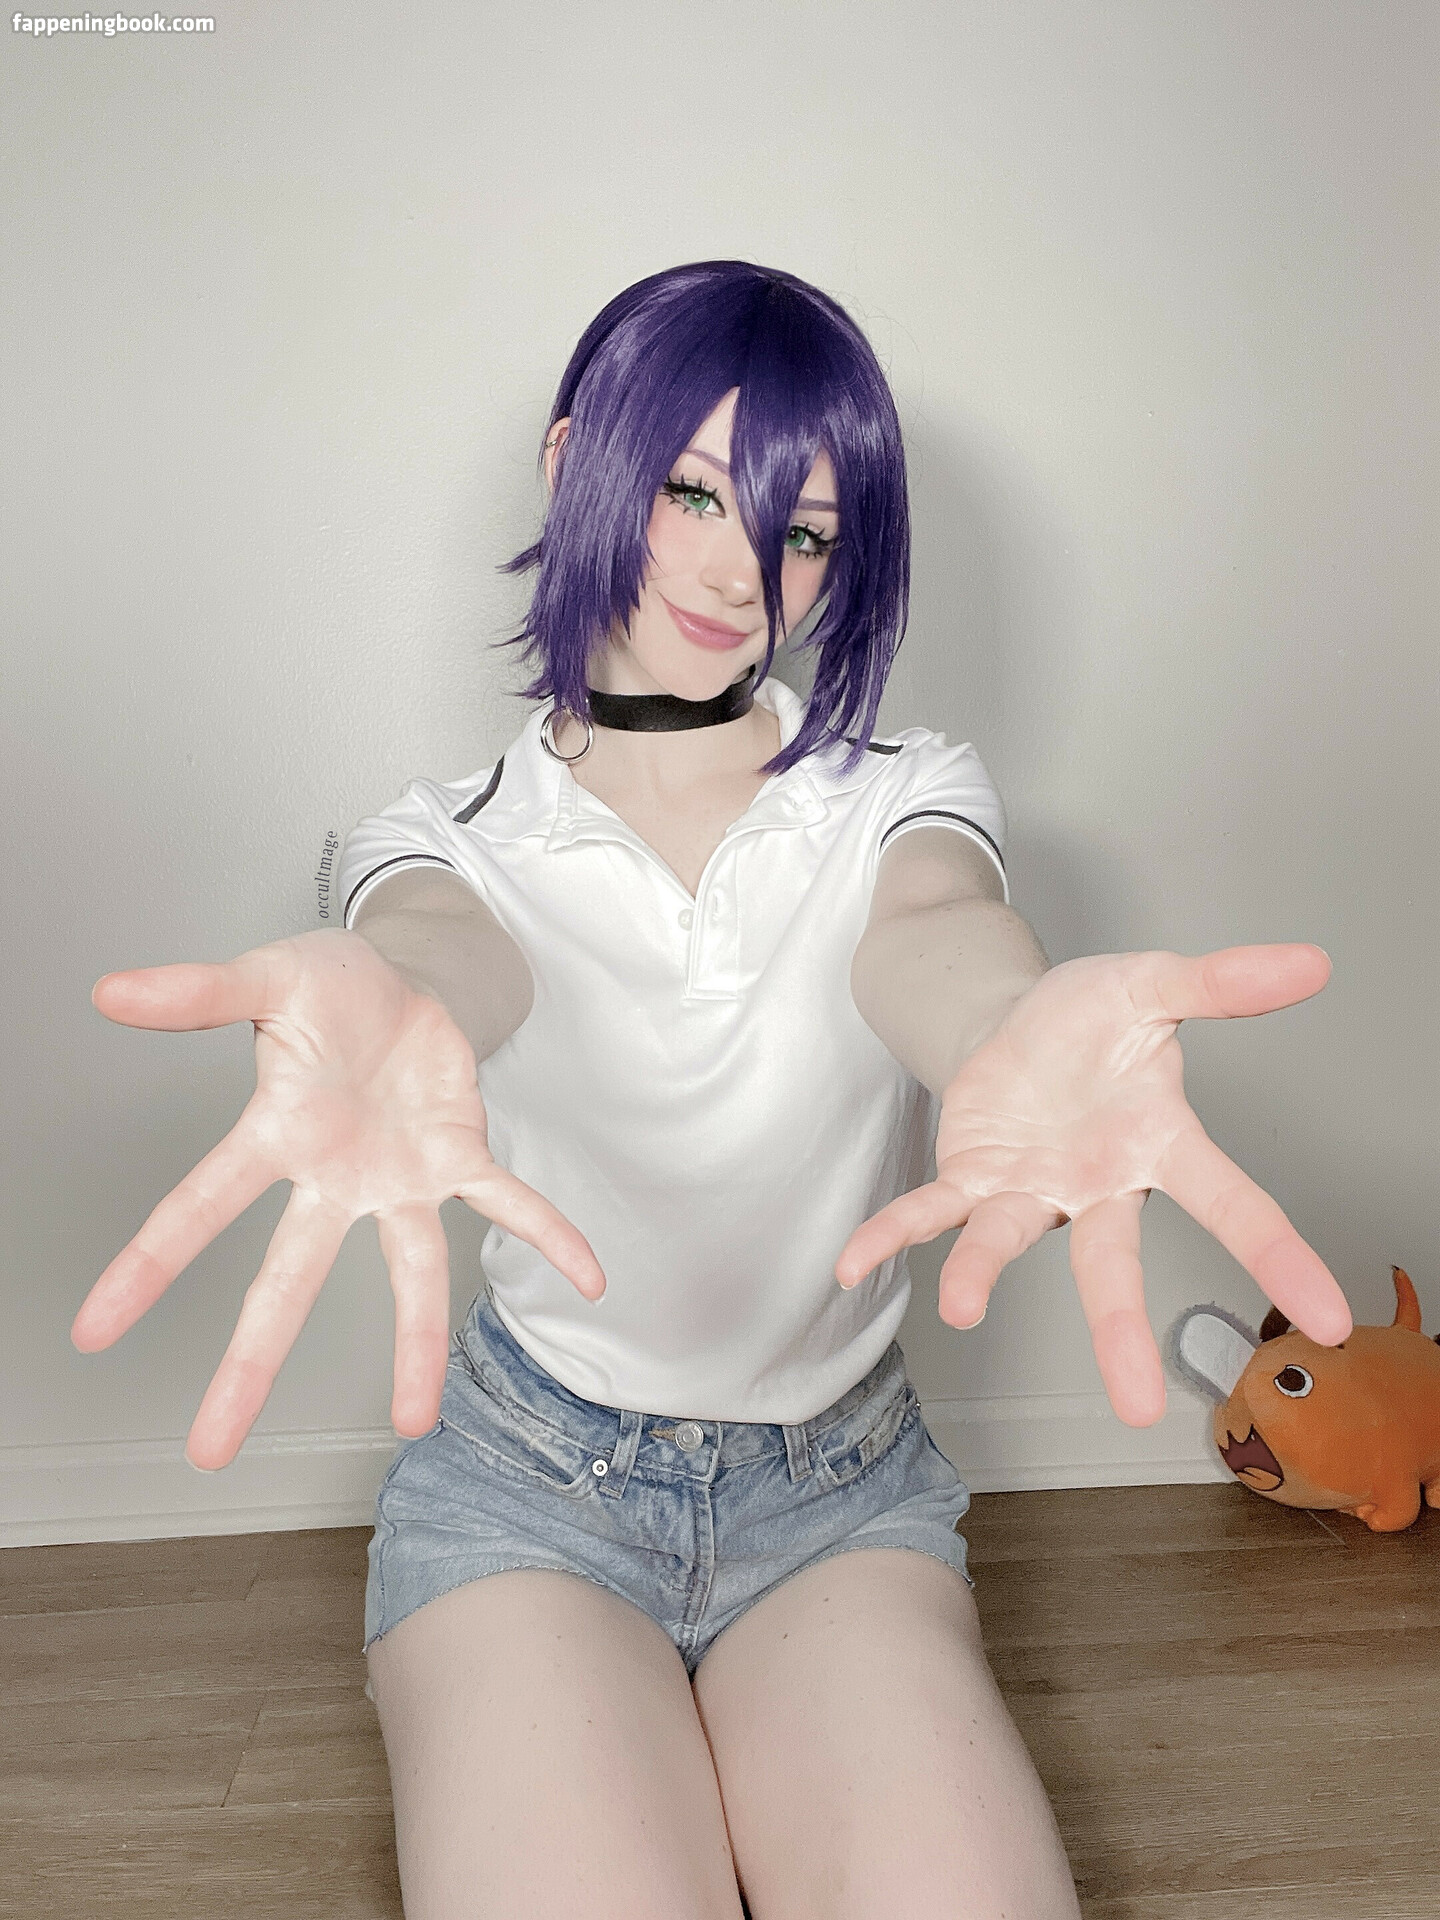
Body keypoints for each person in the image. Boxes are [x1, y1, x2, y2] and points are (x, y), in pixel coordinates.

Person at [73, 261, 1352, 1919]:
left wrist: (1010, 1027)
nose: (742, 571)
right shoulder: (438, 838)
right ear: (573, 464)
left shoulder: (901, 794)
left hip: (839, 1498)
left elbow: (936, 935)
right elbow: (442, 952)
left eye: (803, 532)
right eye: (691, 492)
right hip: (528, 1493)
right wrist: (396, 1005)